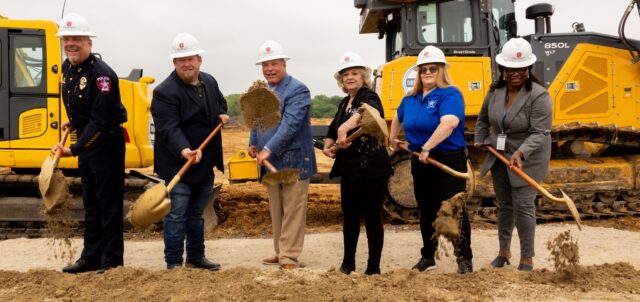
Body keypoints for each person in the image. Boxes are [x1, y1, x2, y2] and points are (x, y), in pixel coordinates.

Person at [52, 13, 127, 274]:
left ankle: (112, 261)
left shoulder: (102, 75)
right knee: (91, 203)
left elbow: (100, 119)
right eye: (66, 39)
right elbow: (79, 105)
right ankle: (91, 257)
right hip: (86, 140)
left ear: (89, 42)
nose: (70, 43)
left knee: (109, 205)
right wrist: (73, 122)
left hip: (105, 144)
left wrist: (73, 149)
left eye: (76, 39)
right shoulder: (67, 68)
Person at [389, 45, 473, 274]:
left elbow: (449, 123)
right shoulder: (411, 98)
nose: (427, 73)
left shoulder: (450, 94)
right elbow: (397, 117)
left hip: (447, 160)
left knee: (454, 210)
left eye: (432, 69)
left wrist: (427, 147)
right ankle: (428, 256)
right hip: (421, 161)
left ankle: (464, 258)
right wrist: (392, 137)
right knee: (426, 209)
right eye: (423, 69)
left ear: (441, 70)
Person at [151, 33, 229, 270]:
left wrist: (222, 114)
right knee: (176, 216)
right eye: (180, 59)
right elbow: (168, 128)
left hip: (204, 164)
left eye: (190, 58)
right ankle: (174, 263)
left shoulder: (210, 81)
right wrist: (184, 149)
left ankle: (196, 257)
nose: (186, 63)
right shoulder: (164, 92)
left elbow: (220, 103)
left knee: (197, 214)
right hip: (178, 165)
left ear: (199, 60)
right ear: (174, 63)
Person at [474, 37, 552, 271]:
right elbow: (482, 120)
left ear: (528, 69)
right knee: (505, 205)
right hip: (500, 156)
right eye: (510, 69)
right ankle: (504, 251)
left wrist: (520, 152)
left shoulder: (539, 96)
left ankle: (526, 257)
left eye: (520, 69)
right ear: (503, 70)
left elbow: (541, 132)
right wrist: (480, 138)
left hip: (527, 158)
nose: (515, 73)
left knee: (524, 206)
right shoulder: (495, 92)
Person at [248, 40, 317, 270]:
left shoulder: (298, 90)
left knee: (293, 209)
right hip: (270, 161)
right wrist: (254, 143)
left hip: (295, 160)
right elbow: (257, 120)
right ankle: (280, 251)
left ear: (284, 63)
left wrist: (269, 148)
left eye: (274, 63)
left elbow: (291, 125)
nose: (270, 69)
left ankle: (290, 256)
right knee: (276, 209)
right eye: (265, 65)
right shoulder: (265, 91)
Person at [322, 52, 392, 275]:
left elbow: (367, 114)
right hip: (350, 169)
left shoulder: (369, 97)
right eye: (346, 74)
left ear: (363, 76)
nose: (350, 77)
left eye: (354, 73)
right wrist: (328, 142)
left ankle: (373, 267)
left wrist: (346, 128)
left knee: (372, 217)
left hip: (372, 167)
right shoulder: (344, 102)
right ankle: (348, 263)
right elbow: (333, 129)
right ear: (341, 80)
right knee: (350, 217)